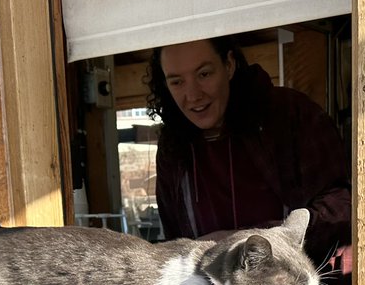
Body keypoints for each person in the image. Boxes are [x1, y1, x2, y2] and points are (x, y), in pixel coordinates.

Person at [147, 37, 352, 271]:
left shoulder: (289, 114)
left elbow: (340, 208)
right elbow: (175, 238)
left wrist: (247, 240)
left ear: (229, 64)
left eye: (204, 74)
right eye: (177, 82)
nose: (193, 95)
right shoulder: (173, 144)